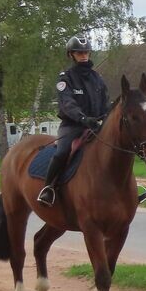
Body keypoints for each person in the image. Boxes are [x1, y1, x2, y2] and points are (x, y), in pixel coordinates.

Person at [38, 36, 109, 206]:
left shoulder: (97, 78)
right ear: (71, 55)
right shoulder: (66, 79)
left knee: (116, 150)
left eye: (86, 52)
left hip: (95, 126)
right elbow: (67, 103)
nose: (84, 55)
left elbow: (106, 101)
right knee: (62, 152)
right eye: (79, 53)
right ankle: (48, 188)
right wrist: (83, 118)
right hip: (72, 126)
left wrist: (106, 117)